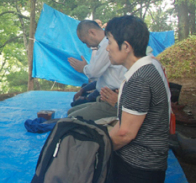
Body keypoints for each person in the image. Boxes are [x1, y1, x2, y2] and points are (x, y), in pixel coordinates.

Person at [106, 15, 170, 182]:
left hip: (138, 167)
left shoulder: (140, 79)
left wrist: (97, 149)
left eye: (109, 41)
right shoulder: (150, 66)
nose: (107, 48)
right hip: (145, 164)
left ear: (126, 46)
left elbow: (125, 133)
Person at [68, 20, 126, 107]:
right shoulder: (104, 45)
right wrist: (84, 90)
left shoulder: (106, 45)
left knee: (73, 111)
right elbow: (101, 78)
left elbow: (93, 73)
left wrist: (83, 68)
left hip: (111, 96)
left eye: (85, 42)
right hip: (106, 92)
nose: (87, 46)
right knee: (79, 97)